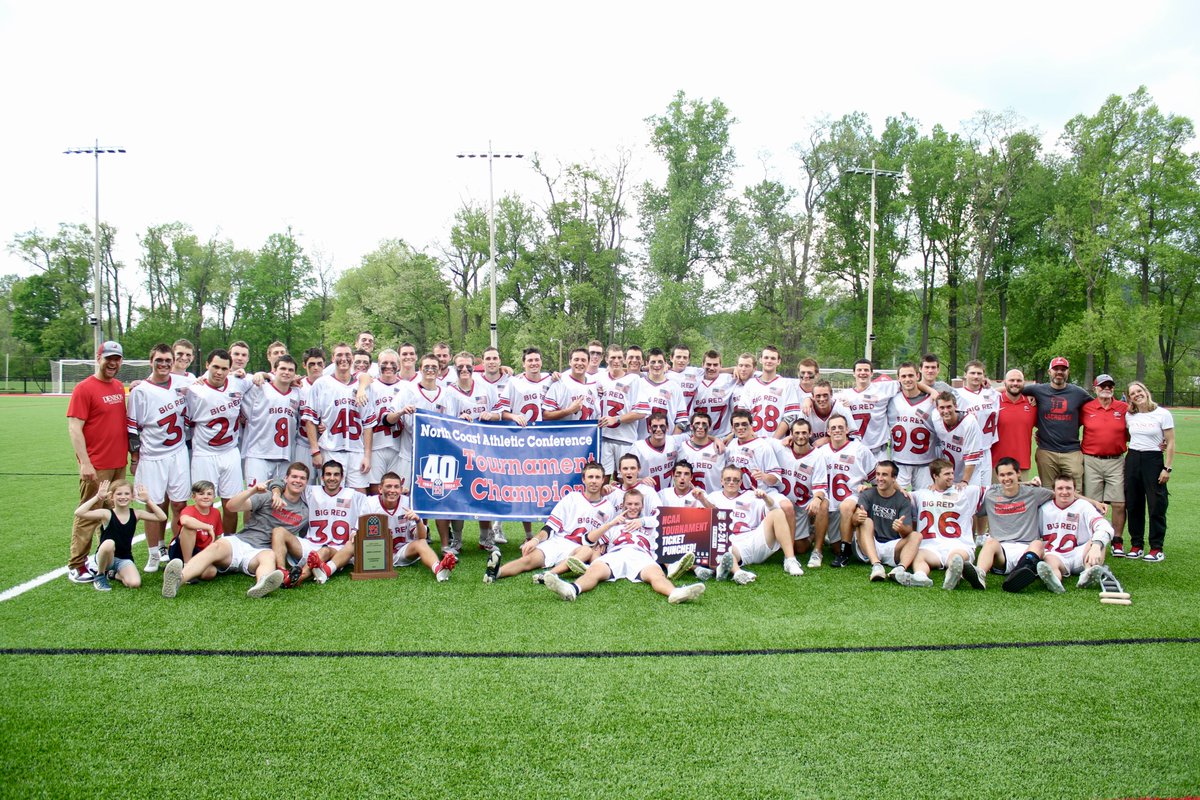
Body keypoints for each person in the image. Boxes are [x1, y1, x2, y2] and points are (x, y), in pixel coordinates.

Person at [160, 464, 312, 599]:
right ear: (286, 478)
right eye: (294, 477)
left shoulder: (304, 512)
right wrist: (252, 491)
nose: (298, 481)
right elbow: (232, 507)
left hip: (260, 551)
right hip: (241, 541)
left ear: (306, 482)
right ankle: (178, 579)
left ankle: (261, 585)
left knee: (269, 556)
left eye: (302, 478)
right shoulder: (267, 496)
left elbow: (305, 538)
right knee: (216, 547)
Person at [542, 491, 706, 604]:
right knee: (595, 571)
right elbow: (587, 540)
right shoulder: (614, 525)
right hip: (616, 553)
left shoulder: (650, 525)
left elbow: (667, 524)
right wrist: (610, 524)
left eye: (636, 504)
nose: (633, 507)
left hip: (641, 555)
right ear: (622, 505)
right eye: (629, 504)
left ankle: (674, 593)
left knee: (656, 575)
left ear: (642, 506)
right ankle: (572, 589)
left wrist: (644, 521)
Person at [485, 462, 615, 583]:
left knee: (586, 551)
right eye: (590, 477)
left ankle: (548, 575)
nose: (593, 481)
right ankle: (495, 573)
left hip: (579, 548)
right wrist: (535, 540)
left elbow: (602, 541)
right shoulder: (572, 498)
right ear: (583, 479)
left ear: (603, 480)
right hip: (558, 541)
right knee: (528, 560)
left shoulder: (608, 508)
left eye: (597, 477)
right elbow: (550, 527)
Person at [65, 341, 129, 583]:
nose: (113, 363)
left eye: (117, 359)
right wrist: (85, 462)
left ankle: (105, 559)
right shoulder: (84, 388)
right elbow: (74, 427)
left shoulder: (117, 386)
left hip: (118, 463)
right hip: (97, 465)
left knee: (113, 515)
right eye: (108, 358)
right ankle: (77, 564)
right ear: (98, 358)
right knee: (89, 513)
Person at [126, 343, 190, 572]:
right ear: (151, 361)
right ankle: (154, 553)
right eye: (159, 360)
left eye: (167, 360)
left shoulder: (184, 383)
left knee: (180, 504)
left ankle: (176, 549)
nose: (163, 364)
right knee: (153, 505)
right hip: (152, 456)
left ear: (173, 362)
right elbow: (132, 429)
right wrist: (135, 459)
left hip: (178, 452)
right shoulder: (140, 391)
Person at [186, 348, 249, 535]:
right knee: (202, 504)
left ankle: (228, 545)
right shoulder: (194, 390)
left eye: (224, 368)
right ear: (207, 366)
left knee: (231, 504)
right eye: (215, 367)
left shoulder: (238, 383)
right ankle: (202, 548)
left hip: (230, 452)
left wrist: (261, 375)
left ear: (230, 369)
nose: (219, 372)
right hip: (204, 454)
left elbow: (260, 378)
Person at [708, 466, 805, 583]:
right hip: (732, 543)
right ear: (721, 481)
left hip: (753, 540)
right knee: (722, 546)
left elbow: (773, 509)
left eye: (736, 480)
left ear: (741, 482)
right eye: (728, 479)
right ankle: (737, 572)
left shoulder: (750, 495)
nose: (731, 482)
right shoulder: (713, 497)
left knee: (778, 512)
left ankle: (790, 560)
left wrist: (765, 498)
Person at [302, 343, 373, 493]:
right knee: (331, 498)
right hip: (331, 449)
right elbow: (310, 420)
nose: (344, 359)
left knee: (359, 499)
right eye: (339, 355)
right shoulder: (322, 384)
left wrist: (367, 455)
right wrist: (315, 451)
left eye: (347, 355)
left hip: (356, 451)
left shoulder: (363, 386)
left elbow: (367, 424)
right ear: (333, 358)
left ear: (352, 358)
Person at [73, 480, 166, 591]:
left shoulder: (136, 514)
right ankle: (100, 575)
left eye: (127, 494)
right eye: (119, 494)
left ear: (132, 496)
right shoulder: (106, 514)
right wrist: (97, 497)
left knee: (135, 583)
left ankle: (113, 574)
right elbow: (79, 512)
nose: (123, 497)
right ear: (111, 497)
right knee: (109, 543)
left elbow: (162, 517)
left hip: (124, 558)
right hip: (106, 557)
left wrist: (148, 501)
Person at [907, 459, 983, 590]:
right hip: (931, 546)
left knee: (956, 558)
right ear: (935, 476)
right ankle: (921, 577)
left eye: (952, 473)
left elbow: (998, 490)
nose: (952, 477)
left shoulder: (964, 492)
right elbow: (897, 495)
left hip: (958, 543)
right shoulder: (921, 495)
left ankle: (952, 574)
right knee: (919, 556)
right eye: (947, 474)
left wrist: (1027, 483)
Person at [1020, 357, 1091, 490]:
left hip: (1072, 452)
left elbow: (1096, 407)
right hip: (1046, 451)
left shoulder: (1078, 393)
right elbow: (1013, 389)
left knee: (1075, 492)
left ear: (1068, 372)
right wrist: (988, 386)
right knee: (1048, 492)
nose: (1059, 372)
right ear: (1049, 372)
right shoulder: (1038, 390)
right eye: (1056, 369)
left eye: (1063, 369)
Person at [1123, 381, 1174, 561]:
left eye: (1139, 391)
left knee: (1156, 504)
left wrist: (1167, 468)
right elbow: (1128, 435)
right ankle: (1136, 545)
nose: (1137, 394)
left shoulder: (1162, 414)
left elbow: (1170, 443)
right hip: (1133, 459)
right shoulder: (1130, 416)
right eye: (1133, 393)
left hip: (1153, 461)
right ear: (1130, 398)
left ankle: (1156, 548)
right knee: (1133, 503)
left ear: (1146, 391)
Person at [816, 414, 876, 568]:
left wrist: (896, 489)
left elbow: (878, 477)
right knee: (833, 548)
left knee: (846, 505)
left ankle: (845, 550)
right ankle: (824, 544)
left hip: (851, 499)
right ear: (828, 431)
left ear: (847, 429)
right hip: (830, 503)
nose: (837, 430)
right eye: (833, 428)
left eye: (841, 427)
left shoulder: (860, 450)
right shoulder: (821, 452)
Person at [1035, 475, 1114, 592]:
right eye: (1060, 488)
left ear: (1074, 490)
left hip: (1081, 553)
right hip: (1056, 555)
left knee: (1097, 540)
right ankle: (1054, 580)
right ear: (1054, 490)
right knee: (1049, 561)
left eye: (1068, 488)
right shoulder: (1044, 509)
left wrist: (1097, 546)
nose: (1064, 492)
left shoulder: (1083, 506)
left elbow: (1104, 525)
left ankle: (1088, 574)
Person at [849, 461, 922, 584]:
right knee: (866, 521)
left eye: (884, 475)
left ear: (894, 478)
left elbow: (908, 530)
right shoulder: (868, 493)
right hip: (869, 544)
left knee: (916, 535)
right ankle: (876, 566)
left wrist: (901, 528)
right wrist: (857, 517)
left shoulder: (903, 499)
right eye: (878, 474)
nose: (879, 478)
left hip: (892, 546)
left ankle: (900, 569)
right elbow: (854, 522)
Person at [1080, 374, 1128, 553]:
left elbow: (1136, 427)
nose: (1106, 388)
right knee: (1093, 503)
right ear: (1095, 389)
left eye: (1109, 386)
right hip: (1091, 460)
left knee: (1119, 503)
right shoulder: (1086, 408)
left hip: (1115, 460)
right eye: (1102, 386)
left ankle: (1117, 539)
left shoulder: (1123, 408)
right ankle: (1095, 537)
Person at [241, 354, 302, 488]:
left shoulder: (298, 393)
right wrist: (259, 374)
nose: (286, 372)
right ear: (274, 371)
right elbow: (236, 386)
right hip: (258, 455)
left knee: (279, 501)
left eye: (290, 370)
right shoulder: (259, 388)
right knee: (254, 500)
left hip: (285, 456)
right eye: (283, 369)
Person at [775, 418, 830, 553]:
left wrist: (817, 499)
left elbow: (820, 487)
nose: (800, 436)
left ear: (810, 433)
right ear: (791, 434)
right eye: (797, 433)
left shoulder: (817, 456)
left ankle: (814, 538)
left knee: (800, 548)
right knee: (786, 546)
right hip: (785, 503)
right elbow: (758, 440)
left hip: (803, 505)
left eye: (804, 433)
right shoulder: (780, 449)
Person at [595, 345, 645, 479]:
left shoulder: (634, 380)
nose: (616, 361)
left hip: (625, 438)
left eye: (619, 358)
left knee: (624, 479)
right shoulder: (599, 377)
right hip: (604, 437)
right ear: (606, 359)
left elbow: (641, 412)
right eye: (612, 357)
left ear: (623, 360)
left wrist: (617, 419)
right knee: (603, 479)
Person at [887, 361, 937, 490]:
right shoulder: (892, 399)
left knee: (924, 501)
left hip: (925, 462)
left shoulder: (932, 400)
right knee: (896, 500)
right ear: (898, 378)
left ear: (917, 376)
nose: (907, 379)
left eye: (910, 375)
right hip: (899, 461)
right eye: (903, 376)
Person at [833, 358, 900, 456]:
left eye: (866, 370)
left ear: (872, 373)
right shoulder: (843, 395)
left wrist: (931, 391)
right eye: (859, 370)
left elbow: (910, 383)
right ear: (854, 373)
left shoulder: (883, 388)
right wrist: (808, 400)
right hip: (854, 450)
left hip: (879, 450)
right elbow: (822, 400)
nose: (862, 373)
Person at [739, 345, 800, 440]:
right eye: (766, 357)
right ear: (760, 360)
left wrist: (774, 440)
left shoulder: (786, 384)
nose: (769, 361)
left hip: (777, 441)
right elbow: (743, 414)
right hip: (752, 439)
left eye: (773, 358)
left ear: (778, 361)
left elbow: (791, 416)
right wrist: (751, 435)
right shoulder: (750, 384)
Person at [930, 392, 985, 486]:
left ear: (956, 406)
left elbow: (971, 458)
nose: (946, 411)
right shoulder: (935, 416)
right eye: (942, 408)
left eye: (949, 407)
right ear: (937, 408)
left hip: (969, 474)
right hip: (947, 472)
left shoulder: (969, 423)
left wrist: (964, 481)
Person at [167, 480, 223, 570]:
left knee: (210, 573)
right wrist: (207, 527)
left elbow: (215, 537)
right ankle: (187, 566)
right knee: (190, 528)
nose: (205, 497)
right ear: (193, 497)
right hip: (180, 550)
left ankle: (192, 568)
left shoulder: (216, 513)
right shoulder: (189, 509)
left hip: (201, 551)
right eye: (201, 494)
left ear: (214, 497)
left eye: (209, 494)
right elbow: (185, 521)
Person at [992, 369, 1036, 480]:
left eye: (1018, 380)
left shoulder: (1032, 404)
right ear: (1004, 382)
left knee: (1021, 497)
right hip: (996, 465)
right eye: (1011, 380)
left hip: (1022, 465)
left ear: (1024, 383)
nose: (1015, 383)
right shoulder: (993, 401)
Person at [634, 348, 687, 436]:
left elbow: (682, 421)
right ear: (647, 363)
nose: (657, 365)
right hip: (641, 442)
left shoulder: (675, 387)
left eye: (660, 362)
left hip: (666, 443)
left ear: (665, 363)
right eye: (653, 362)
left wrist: (671, 442)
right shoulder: (638, 384)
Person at [673, 410, 726, 492]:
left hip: (712, 498)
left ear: (710, 428)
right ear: (691, 426)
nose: (700, 427)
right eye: (697, 423)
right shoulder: (681, 447)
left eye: (704, 424)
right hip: (687, 499)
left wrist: (716, 439)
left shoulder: (719, 449)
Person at [542, 348, 599, 421]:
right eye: (576, 359)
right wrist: (569, 411)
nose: (579, 363)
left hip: (587, 432)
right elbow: (546, 415)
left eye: (583, 360)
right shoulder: (560, 383)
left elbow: (597, 416)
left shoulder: (593, 384)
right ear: (570, 362)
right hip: (565, 432)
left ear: (588, 363)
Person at [631, 412, 681, 493]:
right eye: (655, 426)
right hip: (646, 495)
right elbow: (625, 477)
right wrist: (639, 480)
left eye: (662, 426)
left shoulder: (674, 442)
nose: (658, 429)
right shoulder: (637, 448)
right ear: (649, 428)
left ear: (667, 428)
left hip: (668, 495)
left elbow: (694, 437)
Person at [691, 350, 735, 439]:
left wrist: (737, 369)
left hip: (723, 436)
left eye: (715, 365)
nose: (711, 368)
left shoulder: (728, 379)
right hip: (698, 435)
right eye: (708, 364)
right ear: (702, 364)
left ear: (721, 366)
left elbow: (750, 372)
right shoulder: (694, 381)